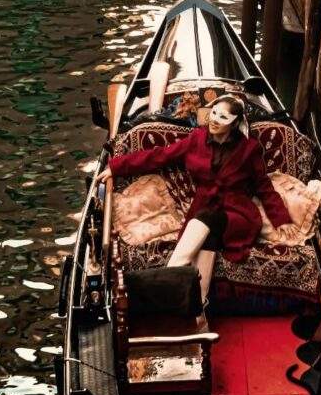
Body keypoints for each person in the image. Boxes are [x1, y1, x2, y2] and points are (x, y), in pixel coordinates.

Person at [97, 94, 291, 301]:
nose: (215, 120)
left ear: (235, 123)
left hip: (237, 215)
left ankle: (165, 279)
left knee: (208, 219)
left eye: (223, 117)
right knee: (209, 237)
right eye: (213, 113)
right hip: (204, 210)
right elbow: (159, 155)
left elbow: (264, 186)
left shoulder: (249, 149)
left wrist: (282, 219)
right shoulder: (196, 139)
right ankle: (199, 310)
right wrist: (116, 167)